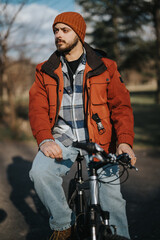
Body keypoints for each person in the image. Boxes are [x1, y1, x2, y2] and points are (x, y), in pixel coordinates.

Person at [29, 12, 136, 240]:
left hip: (100, 139)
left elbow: (121, 107)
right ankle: (62, 223)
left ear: (79, 33)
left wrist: (125, 141)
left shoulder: (105, 67)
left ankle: (119, 236)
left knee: (112, 194)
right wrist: (45, 139)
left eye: (64, 30)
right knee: (39, 173)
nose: (58, 35)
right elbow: (37, 108)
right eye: (55, 30)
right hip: (63, 137)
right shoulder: (44, 70)